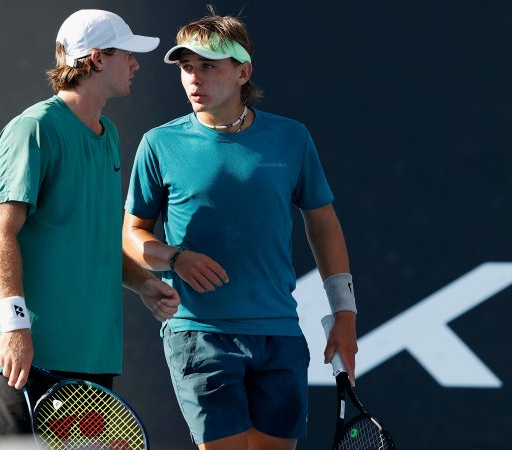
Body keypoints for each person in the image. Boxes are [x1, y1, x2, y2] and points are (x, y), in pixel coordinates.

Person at [123, 9, 358, 450]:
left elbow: (323, 225)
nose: (194, 79)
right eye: (186, 68)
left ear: (242, 71)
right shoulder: (159, 142)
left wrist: (344, 314)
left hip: (279, 333)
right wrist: (174, 256)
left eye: (208, 66)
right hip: (199, 334)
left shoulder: (291, 138)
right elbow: (132, 234)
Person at [0, 9, 180, 446]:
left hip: (92, 359)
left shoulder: (108, 136)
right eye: (127, 54)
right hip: (26, 358)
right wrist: (14, 329)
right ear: (97, 58)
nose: (136, 64)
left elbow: (93, 241)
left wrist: (144, 283)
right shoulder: (33, 129)